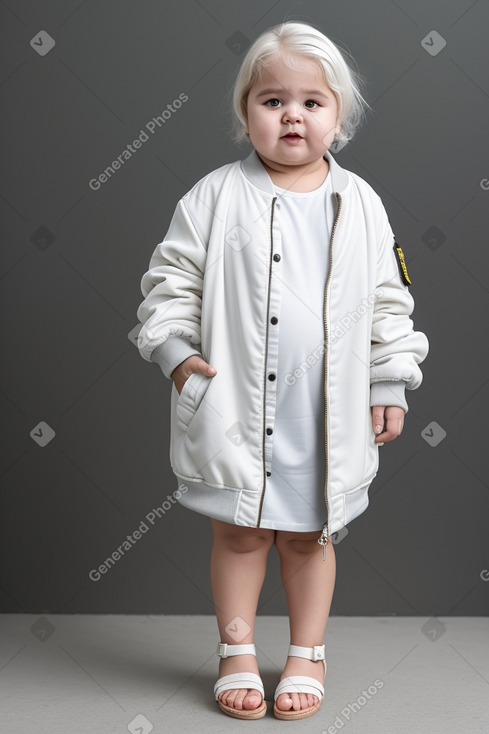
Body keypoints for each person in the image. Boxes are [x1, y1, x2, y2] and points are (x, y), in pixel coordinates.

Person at [136, 21, 429, 721]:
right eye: (271, 101)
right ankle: (236, 649)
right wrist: (176, 354)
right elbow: (169, 280)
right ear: (246, 114)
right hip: (235, 405)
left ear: (339, 117)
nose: (291, 115)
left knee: (311, 533)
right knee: (237, 532)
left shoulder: (360, 203)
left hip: (321, 414)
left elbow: (390, 300)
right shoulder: (213, 196)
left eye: (310, 102)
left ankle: (306, 652)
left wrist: (387, 379)